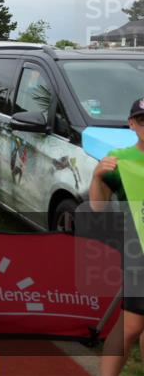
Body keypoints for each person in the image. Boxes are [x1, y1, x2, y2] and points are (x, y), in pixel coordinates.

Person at [90, 97, 144, 376]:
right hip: (139, 254)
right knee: (133, 326)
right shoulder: (120, 159)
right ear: (132, 124)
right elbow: (97, 208)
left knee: (132, 325)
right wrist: (97, 177)